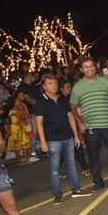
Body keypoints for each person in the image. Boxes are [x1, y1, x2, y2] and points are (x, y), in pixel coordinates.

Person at [70, 57, 108, 189]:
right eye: (86, 67)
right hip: (91, 126)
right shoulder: (78, 87)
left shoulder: (105, 82)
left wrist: (107, 105)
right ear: (81, 69)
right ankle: (98, 181)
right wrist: (80, 123)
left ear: (95, 67)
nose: (89, 69)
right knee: (93, 155)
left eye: (91, 66)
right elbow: (73, 106)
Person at [34, 74, 91, 204]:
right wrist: (43, 142)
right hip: (53, 139)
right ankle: (57, 194)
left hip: (67, 136)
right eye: (50, 83)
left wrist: (76, 135)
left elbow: (70, 117)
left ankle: (76, 189)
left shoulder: (63, 99)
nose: (53, 85)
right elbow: (39, 123)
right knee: (54, 168)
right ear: (44, 86)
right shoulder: (41, 102)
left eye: (55, 83)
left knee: (71, 164)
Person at [7, 98, 32, 164]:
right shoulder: (12, 110)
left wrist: (23, 108)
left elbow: (24, 117)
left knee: (25, 143)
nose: (19, 101)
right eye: (17, 100)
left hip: (22, 127)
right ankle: (18, 159)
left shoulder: (22, 108)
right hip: (14, 129)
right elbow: (17, 118)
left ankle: (25, 157)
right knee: (16, 144)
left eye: (20, 100)